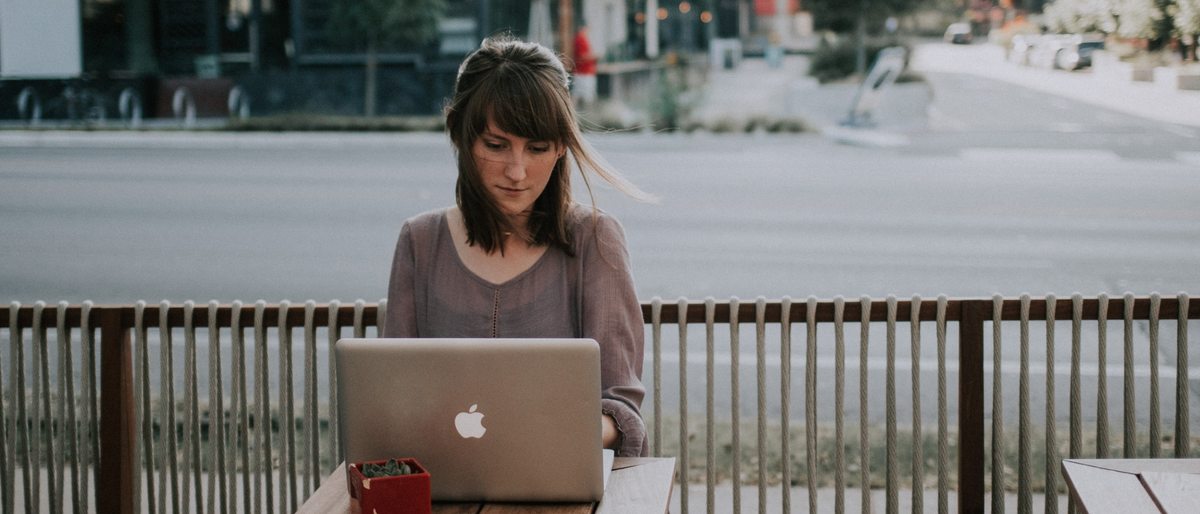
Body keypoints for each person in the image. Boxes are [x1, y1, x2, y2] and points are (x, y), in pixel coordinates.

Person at [383, 37, 654, 457]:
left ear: (562, 145)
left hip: (558, 488)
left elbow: (621, 410)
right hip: (443, 487)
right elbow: (394, 398)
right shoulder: (420, 241)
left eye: (538, 147)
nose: (517, 170)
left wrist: (550, 435)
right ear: (459, 134)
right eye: (495, 145)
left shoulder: (594, 238)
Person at [572, 25, 598, 107]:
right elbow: (581, 57)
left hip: (585, 71)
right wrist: (594, 56)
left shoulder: (583, 38)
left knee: (578, 94)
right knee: (582, 95)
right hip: (583, 72)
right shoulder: (580, 39)